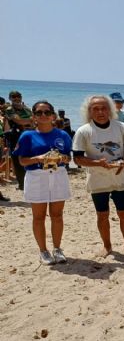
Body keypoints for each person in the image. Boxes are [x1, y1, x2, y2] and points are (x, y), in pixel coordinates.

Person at [72, 95, 124, 257]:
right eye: (96, 108)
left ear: (110, 110)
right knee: (102, 214)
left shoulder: (121, 127)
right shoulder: (83, 131)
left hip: (119, 176)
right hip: (97, 179)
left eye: (103, 108)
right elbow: (77, 158)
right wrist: (98, 163)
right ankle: (107, 246)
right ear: (89, 111)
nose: (100, 112)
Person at [13, 100, 72, 264]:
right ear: (34, 117)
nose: (43, 115)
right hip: (37, 176)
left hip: (58, 174)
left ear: (53, 116)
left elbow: (69, 158)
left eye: (47, 112)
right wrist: (37, 158)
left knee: (57, 215)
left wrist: (62, 158)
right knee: (38, 217)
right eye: (39, 113)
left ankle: (57, 249)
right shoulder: (27, 136)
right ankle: (43, 251)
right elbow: (22, 161)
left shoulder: (63, 135)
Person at [5, 91, 33, 190]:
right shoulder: (9, 109)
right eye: (13, 97)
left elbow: (33, 120)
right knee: (17, 161)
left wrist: (26, 122)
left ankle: (28, 182)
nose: (16, 98)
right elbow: (18, 121)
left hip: (28, 135)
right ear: (10, 98)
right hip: (14, 137)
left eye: (18, 96)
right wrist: (28, 121)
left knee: (28, 158)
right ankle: (22, 184)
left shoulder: (26, 108)